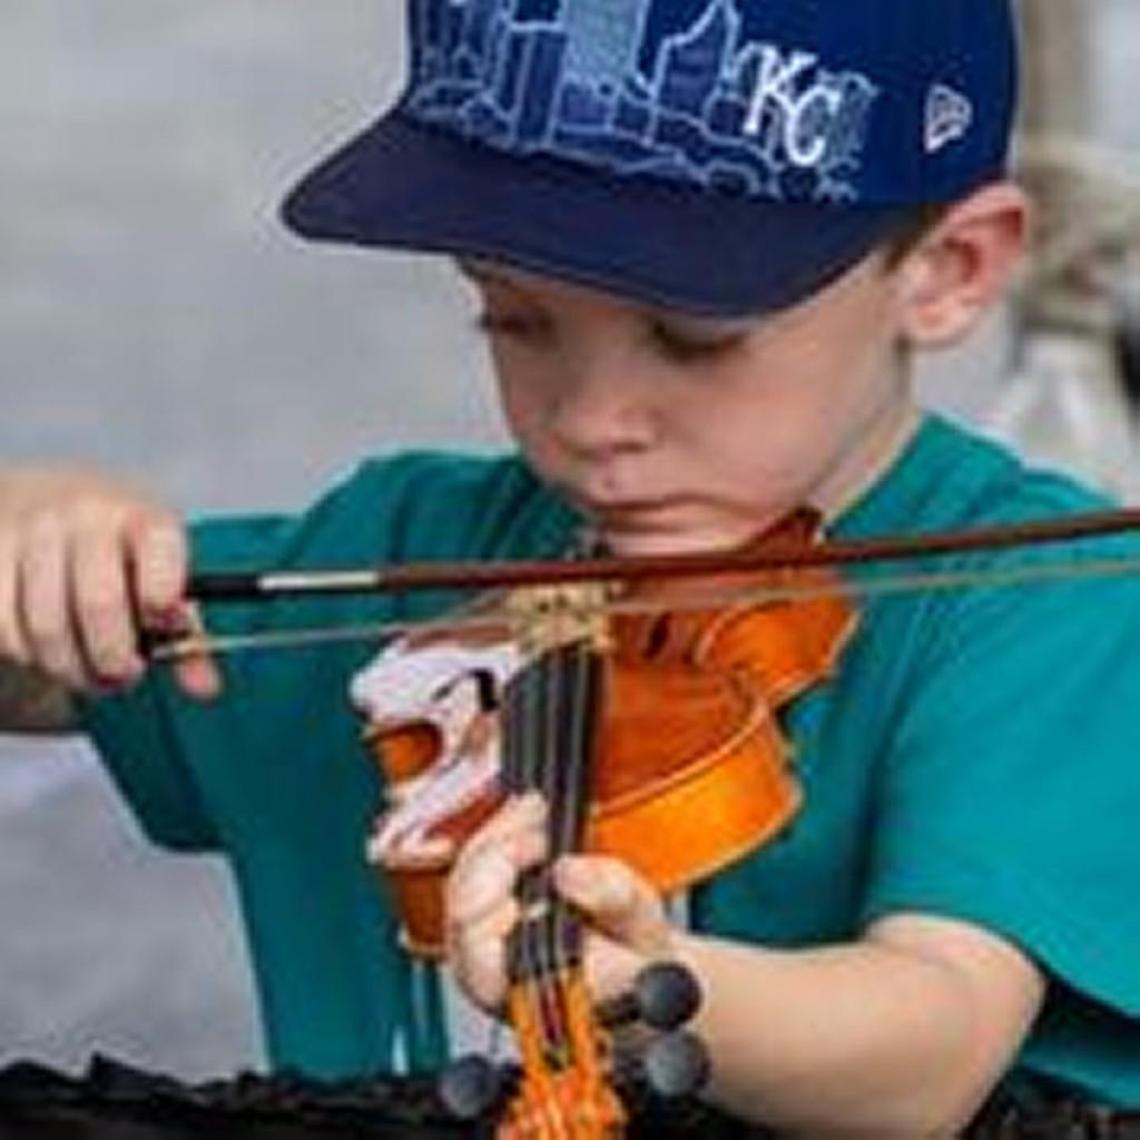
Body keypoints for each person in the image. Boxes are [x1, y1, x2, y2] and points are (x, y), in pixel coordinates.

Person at [2, 0, 1140, 1135]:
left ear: (948, 269)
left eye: (695, 339)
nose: (594, 420)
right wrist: (37, 543)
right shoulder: (406, 548)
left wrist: (651, 989)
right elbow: (41, 679)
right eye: (514, 319)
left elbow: (930, 1046)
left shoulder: (1043, 600)